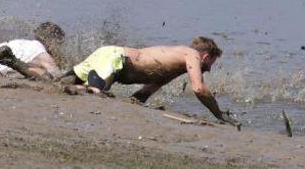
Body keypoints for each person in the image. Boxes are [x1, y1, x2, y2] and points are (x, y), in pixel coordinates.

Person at [60, 38, 234, 124]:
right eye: (211, 63)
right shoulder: (192, 55)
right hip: (115, 58)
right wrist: (220, 115)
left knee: (58, 82)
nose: (209, 69)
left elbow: (143, 94)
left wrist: (134, 104)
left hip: (110, 57)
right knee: (95, 94)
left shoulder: (173, 66)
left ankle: (67, 84)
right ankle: (81, 88)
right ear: (205, 56)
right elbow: (198, 89)